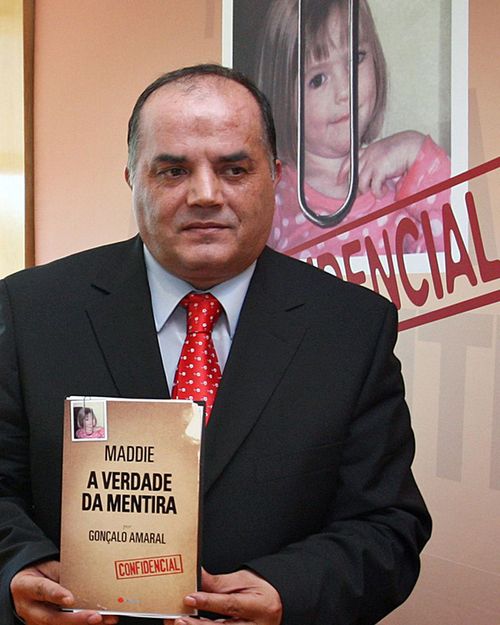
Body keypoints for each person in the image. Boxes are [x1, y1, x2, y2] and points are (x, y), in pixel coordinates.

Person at [0, 64, 431, 625]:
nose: (205, 195)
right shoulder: (31, 311)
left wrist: (287, 594)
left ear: (274, 176)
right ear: (132, 177)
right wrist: (19, 569)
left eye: (234, 168)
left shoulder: (351, 327)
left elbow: (388, 527)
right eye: (173, 170)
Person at [255, 0, 450, 259]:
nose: (345, 90)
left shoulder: (403, 176)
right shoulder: (273, 198)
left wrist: (417, 152)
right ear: (281, 99)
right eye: (317, 79)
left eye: (356, 58)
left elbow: (459, 252)